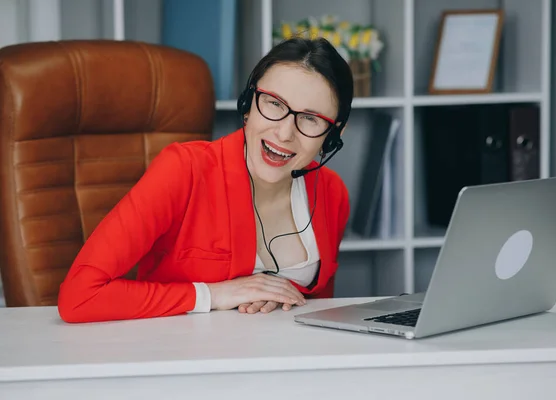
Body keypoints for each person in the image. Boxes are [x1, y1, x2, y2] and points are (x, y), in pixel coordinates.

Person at [57, 37, 353, 323]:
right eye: (274, 104)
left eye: (311, 119)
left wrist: (275, 298)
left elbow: (313, 313)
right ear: (248, 103)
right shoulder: (183, 170)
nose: (285, 133)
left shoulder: (331, 192)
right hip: (178, 359)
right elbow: (79, 296)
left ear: (333, 135)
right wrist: (213, 294)